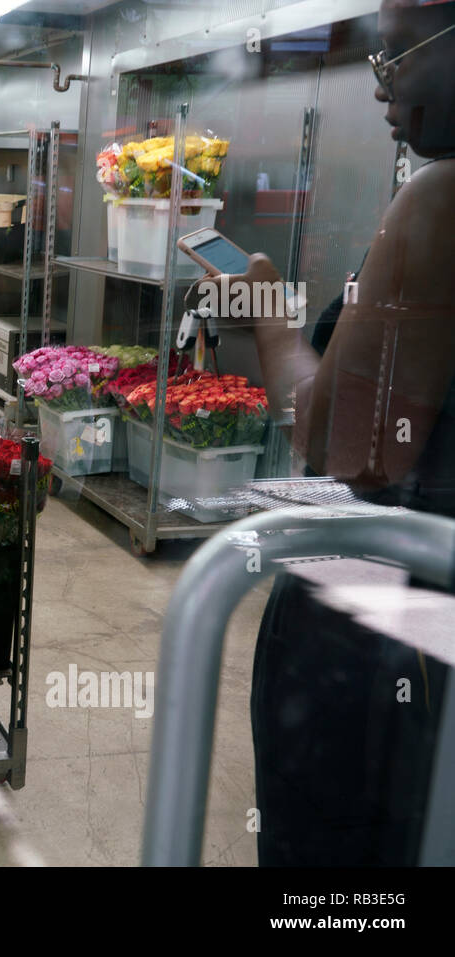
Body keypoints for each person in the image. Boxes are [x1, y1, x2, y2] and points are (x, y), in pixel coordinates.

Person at [198, 0, 455, 865]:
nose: (383, 89)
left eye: (396, 56)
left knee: (343, 877)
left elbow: (345, 447)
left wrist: (266, 312)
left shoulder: (440, 200)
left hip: (383, 638)